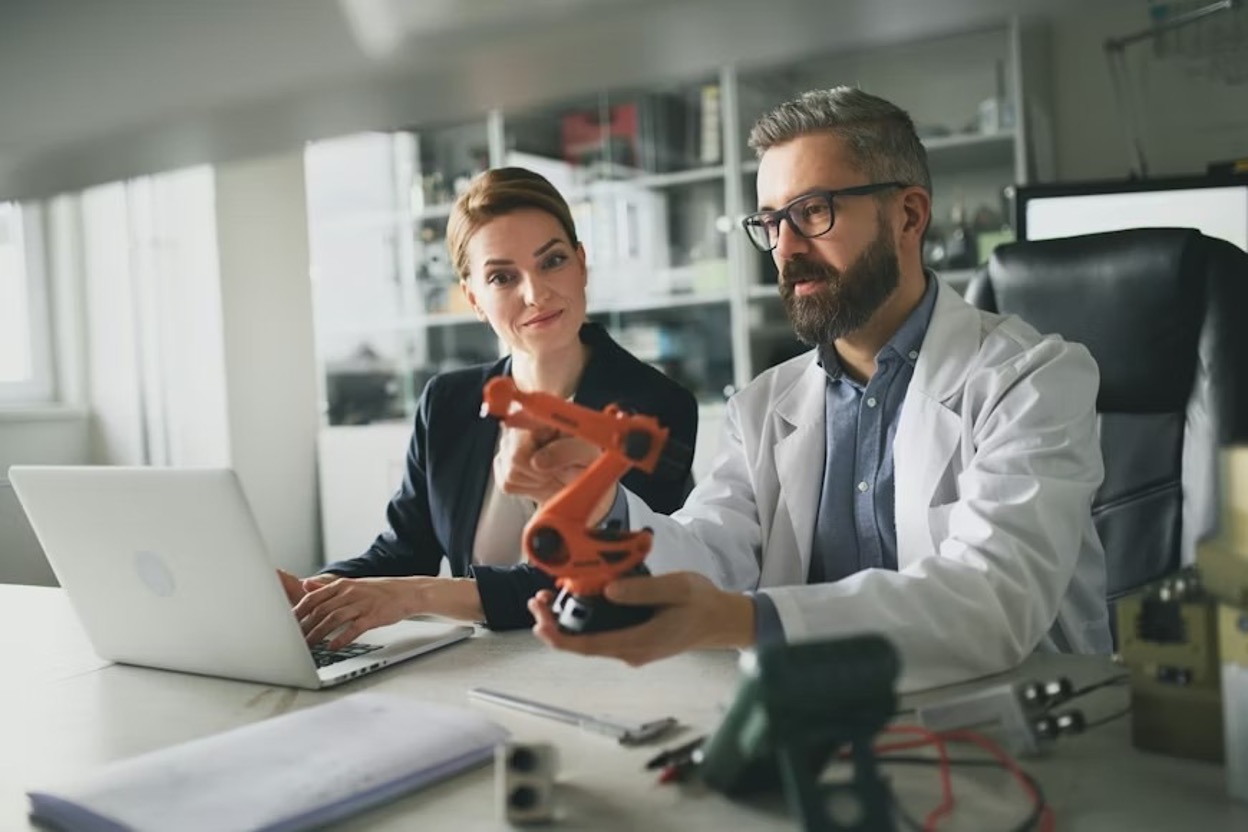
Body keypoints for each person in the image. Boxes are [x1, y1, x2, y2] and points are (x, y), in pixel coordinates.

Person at [523, 87, 1113, 693]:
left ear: (909, 215)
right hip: (823, 719)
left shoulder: (1032, 378)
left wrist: (749, 620)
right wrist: (599, 503)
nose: (785, 249)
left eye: (812, 212)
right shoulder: (762, 405)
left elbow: (995, 598)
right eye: (771, 222)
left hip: (1024, 725)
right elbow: (713, 551)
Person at [283, 167, 698, 650]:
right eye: (503, 276)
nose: (535, 293)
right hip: (482, 669)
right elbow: (402, 550)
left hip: (610, 664)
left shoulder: (655, 408)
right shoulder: (448, 402)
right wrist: (310, 594)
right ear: (474, 298)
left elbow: (609, 579)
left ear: (582, 264)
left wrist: (416, 595)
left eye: (553, 261)